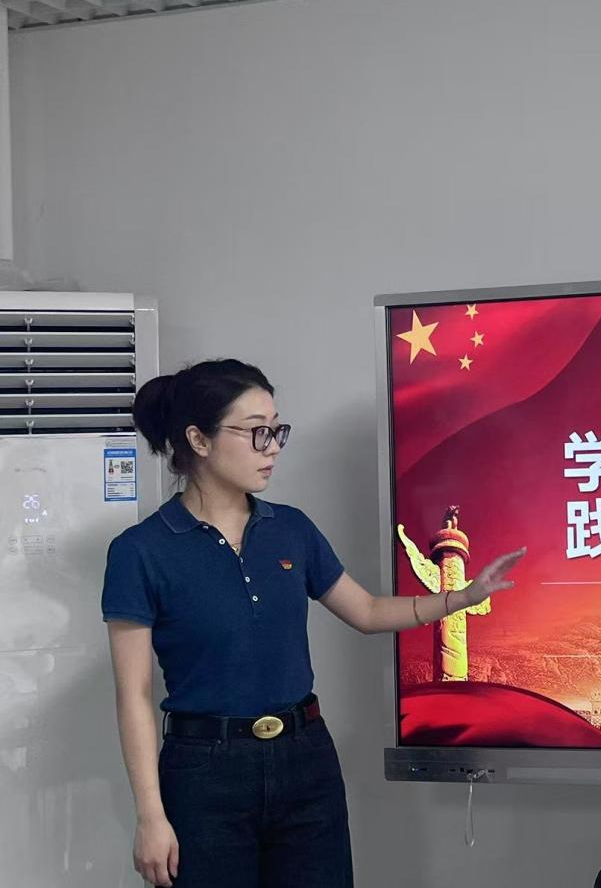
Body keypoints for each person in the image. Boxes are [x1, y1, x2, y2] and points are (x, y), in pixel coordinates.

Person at [101, 359, 522, 887]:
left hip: (304, 760)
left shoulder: (291, 530)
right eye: (257, 432)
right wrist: (150, 815)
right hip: (204, 773)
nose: (273, 447)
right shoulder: (141, 551)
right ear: (199, 440)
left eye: (277, 430)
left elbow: (367, 612)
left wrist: (463, 597)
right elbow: (134, 696)